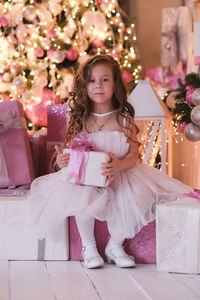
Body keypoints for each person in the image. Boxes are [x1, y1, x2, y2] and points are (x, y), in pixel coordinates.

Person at [28, 54, 193, 269]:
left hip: (122, 173)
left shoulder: (123, 117)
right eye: (92, 81)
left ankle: (115, 245)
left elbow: (134, 154)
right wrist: (63, 159)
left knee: (138, 195)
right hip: (87, 177)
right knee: (81, 197)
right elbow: (73, 152)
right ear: (85, 86)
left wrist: (118, 166)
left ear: (115, 84)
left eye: (105, 79)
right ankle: (89, 246)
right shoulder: (81, 118)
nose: (98, 86)